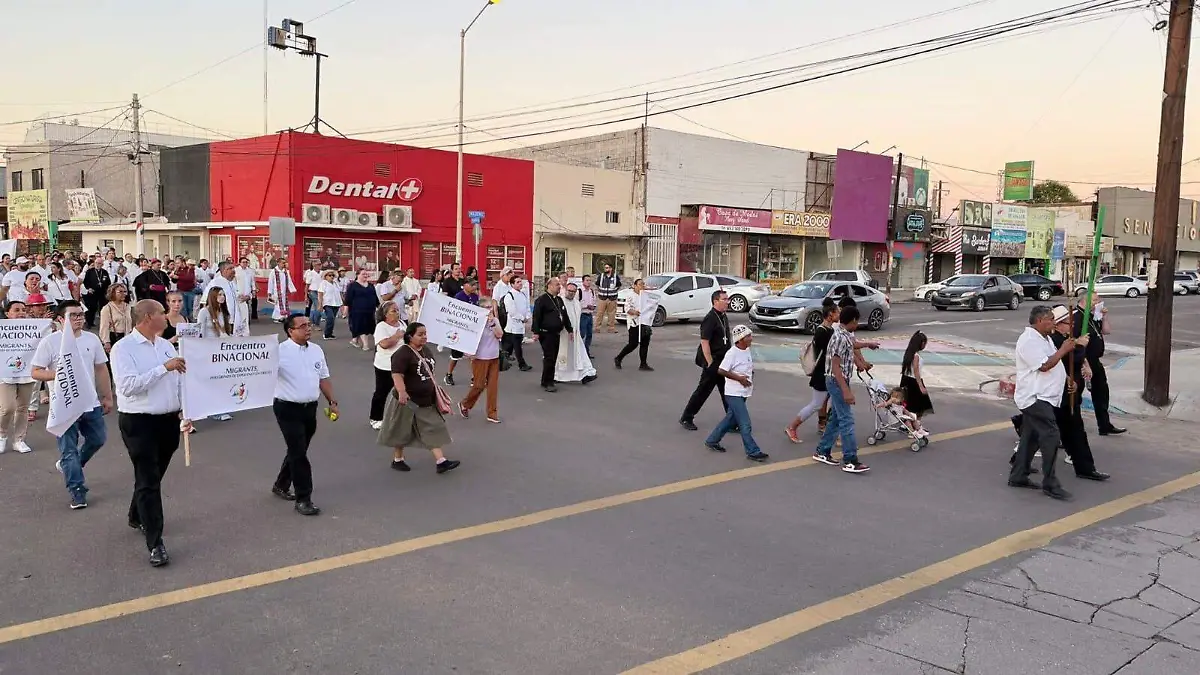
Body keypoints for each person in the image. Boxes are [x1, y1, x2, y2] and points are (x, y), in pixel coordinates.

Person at [111, 300, 190, 567]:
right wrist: (163, 368)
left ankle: (137, 514)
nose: (167, 316)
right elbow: (128, 386)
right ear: (147, 317)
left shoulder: (165, 345)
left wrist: (186, 410)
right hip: (139, 422)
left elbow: (179, 379)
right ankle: (155, 542)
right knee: (148, 479)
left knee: (153, 475)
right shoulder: (124, 349)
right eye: (161, 312)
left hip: (167, 421)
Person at [32, 300, 113, 509]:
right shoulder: (50, 342)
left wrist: (107, 396)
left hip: (89, 402)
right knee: (68, 450)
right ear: (61, 319)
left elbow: (101, 369)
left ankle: (72, 464)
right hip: (64, 405)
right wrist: (57, 375)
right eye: (73, 315)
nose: (79, 318)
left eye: (81, 314)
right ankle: (77, 490)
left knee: (97, 439)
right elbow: (36, 371)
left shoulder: (91, 339)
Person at [1009, 305, 1084, 501]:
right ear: (1040, 320)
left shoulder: (1046, 338)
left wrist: (1067, 379)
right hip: (1034, 397)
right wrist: (1064, 349)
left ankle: (1018, 475)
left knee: (1031, 437)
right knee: (1051, 435)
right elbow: (1044, 365)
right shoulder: (1028, 341)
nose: (1054, 322)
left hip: (1045, 396)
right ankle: (1050, 483)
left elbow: (1054, 363)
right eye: (1051, 319)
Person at [272, 313, 339, 516]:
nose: (308, 328)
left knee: (298, 449)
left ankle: (281, 484)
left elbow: (323, 378)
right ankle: (304, 498)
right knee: (299, 453)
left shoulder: (316, 350)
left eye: (309, 324)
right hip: (287, 407)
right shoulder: (278, 352)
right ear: (290, 331)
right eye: (302, 326)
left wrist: (332, 401)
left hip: (309, 408)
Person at [380, 322, 460, 474]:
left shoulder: (426, 351)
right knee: (401, 430)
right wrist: (402, 392)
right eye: (420, 334)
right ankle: (398, 459)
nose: (424, 337)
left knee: (432, 428)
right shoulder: (402, 353)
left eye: (425, 334)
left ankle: (441, 461)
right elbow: (397, 374)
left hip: (425, 400)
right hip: (407, 401)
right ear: (410, 336)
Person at [1051, 306, 1110, 482]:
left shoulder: (1065, 338)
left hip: (1070, 392)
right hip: (1059, 393)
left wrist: (1084, 362)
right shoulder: (1054, 339)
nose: (1072, 325)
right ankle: (1020, 465)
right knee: (1041, 431)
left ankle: (1084, 467)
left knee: (1075, 430)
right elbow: (1062, 360)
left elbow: (1076, 357)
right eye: (1069, 323)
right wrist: (1080, 347)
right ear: (1059, 324)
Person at [812, 306, 871, 474]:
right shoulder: (839, 337)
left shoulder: (843, 334)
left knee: (837, 419)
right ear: (852, 320)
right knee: (847, 420)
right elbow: (836, 367)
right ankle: (850, 459)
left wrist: (869, 344)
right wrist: (846, 391)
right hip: (837, 381)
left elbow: (853, 344)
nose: (857, 324)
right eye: (857, 321)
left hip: (838, 380)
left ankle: (822, 451)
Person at [704, 325, 768, 461]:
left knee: (730, 419)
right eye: (748, 336)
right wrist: (740, 378)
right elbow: (721, 370)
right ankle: (752, 451)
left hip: (743, 392)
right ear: (740, 339)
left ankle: (712, 440)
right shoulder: (732, 353)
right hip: (734, 394)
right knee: (745, 423)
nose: (751, 338)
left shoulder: (746, 350)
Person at [1072, 293, 1126, 436]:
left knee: (1102, 393)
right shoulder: (1077, 317)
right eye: (1095, 300)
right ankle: (1073, 428)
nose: (1098, 302)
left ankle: (1104, 425)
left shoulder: (1092, 316)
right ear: (1086, 300)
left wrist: (1104, 317)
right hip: (1083, 360)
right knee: (1076, 395)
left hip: (1095, 360)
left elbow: (1106, 331)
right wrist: (1085, 364)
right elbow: (1076, 343)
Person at [787, 300, 838, 444]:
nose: (839, 315)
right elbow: (830, 352)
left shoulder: (830, 330)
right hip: (822, 374)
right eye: (837, 312)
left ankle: (823, 426)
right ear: (830, 315)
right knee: (816, 404)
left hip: (828, 372)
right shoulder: (822, 331)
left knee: (825, 401)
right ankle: (792, 427)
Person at [680, 290, 732, 431]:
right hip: (713, 361)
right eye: (725, 299)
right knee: (703, 390)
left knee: (727, 391)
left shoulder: (723, 316)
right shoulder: (710, 318)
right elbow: (705, 341)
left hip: (724, 360)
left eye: (727, 299)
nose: (728, 301)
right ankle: (687, 417)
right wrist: (710, 362)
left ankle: (732, 420)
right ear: (716, 301)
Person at [0, 301, 46, 455]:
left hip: (26, 373)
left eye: (23, 310)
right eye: (16, 310)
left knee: (22, 408)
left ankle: (19, 440)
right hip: (5, 374)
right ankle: (2, 435)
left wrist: (48, 327)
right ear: (7, 313)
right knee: (7, 408)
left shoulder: (34, 328)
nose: (21, 313)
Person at [458, 298, 505, 423]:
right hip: (480, 357)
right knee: (479, 385)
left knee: (493, 386)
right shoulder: (474, 322)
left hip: (494, 356)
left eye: (490, 307)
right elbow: (467, 338)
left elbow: (500, 334)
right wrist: (468, 352)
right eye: (486, 307)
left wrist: (492, 323)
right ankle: (465, 404)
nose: (489, 310)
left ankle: (492, 413)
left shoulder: (494, 320)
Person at [531, 278, 573, 393]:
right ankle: (548, 382)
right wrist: (535, 332)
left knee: (553, 357)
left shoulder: (559, 299)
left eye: (559, 285)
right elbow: (536, 316)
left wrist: (570, 329)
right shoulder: (542, 300)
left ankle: (546, 379)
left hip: (556, 333)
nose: (559, 287)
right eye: (556, 284)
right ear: (549, 286)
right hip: (546, 333)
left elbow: (564, 315)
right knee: (549, 357)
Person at [370, 301, 406, 430]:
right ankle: (376, 418)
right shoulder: (382, 327)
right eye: (393, 311)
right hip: (385, 365)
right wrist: (396, 336)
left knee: (403, 391)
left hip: (402, 365)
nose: (397, 313)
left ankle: (400, 418)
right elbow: (384, 344)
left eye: (397, 310)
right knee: (382, 392)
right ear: (385, 314)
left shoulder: (402, 324)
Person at [555, 283, 598, 385]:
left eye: (573, 292)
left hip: (575, 334)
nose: (571, 293)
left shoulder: (576, 302)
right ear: (565, 290)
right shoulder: (560, 302)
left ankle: (586, 374)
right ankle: (557, 376)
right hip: (564, 335)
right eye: (569, 291)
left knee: (580, 355)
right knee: (563, 357)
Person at [444, 279, 481, 386]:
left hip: (471, 330)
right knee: (455, 356)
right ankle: (449, 374)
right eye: (472, 285)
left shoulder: (475, 296)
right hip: (459, 330)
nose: (474, 287)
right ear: (465, 285)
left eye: (475, 285)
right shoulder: (458, 297)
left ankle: (474, 377)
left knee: (473, 355)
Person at [615, 278, 654, 371]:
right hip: (634, 322)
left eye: (643, 284)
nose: (642, 286)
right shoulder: (630, 295)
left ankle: (643, 364)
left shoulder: (645, 296)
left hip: (644, 322)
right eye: (640, 284)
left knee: (645, 343)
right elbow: (627, 309)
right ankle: (619, 358)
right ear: (635, 286)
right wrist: (634, 312)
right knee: (633, 344)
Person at [205, 261, 247, 337]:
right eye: (230, 268)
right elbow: (206, 300)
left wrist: (244, 297)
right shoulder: (215, 282)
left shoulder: (232, 283)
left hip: (234, 319)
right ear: (224, 271)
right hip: (222, 319)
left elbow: (236, 298)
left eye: (233, 268)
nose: (233, 270)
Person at [900, 331, 934, 422]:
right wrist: (921, 386)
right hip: (914, 381)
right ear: (922, 343)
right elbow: (916, 371)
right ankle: (916, 425)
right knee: (920, 405)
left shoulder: (908, 353)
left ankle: (908, 424)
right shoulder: (916, 356)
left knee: (908, 404)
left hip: (905, 379)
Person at [501, 275, 533, 372]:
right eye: (518, 282)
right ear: (512, 284)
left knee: (509, 347)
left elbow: (527, 307)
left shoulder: (522, 294)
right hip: (513, 325)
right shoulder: (509, 296)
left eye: (520, 281)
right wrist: (522, 318)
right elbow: (512, 311)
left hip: (520, 325)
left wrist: (527, 316)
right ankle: (522, 364)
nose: (520, 284)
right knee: (517, 346)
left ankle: (502, 362)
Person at [344, 269, 380, 351]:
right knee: (362, 326)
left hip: (370, 310)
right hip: (357, 310)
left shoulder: (371, 286)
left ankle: (354, 340)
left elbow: (375, 297)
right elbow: (348, 299)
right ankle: (365, 345)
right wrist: (345, 310)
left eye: (367, 274)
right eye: (363, 274)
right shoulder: (352, 285)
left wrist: (379, 307)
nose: (366, 275)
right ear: (358, 275)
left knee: (368, 326)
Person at [99, 284, 133, 354]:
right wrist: (106, 342)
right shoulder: (107, 308)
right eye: (120, 292)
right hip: (114, 338)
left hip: (127, 338)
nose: (123, 294)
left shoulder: (128, 307)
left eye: (125, 291)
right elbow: (104, 327)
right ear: (113, 293)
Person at [82, 256, 112, 329]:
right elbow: (85, 281)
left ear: (102, 264)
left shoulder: (104, 272)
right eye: (96, 263)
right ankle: (89, 322)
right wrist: (88, 288)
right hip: (92, 292)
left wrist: (107, 290)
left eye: (99, 263)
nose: (97, 264)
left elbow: (108, 282)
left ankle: (103, 323)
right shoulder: (90, 271)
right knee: (91, 308)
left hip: (102, 293)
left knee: (103, 308)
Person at [315, 269, 345, 340]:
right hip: (327, 303)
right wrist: (320, 304)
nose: (331, 277)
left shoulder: (336, 283)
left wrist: (343, 301)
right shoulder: (323, 283)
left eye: (333, 275)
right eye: (329, 275)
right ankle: (326, 334)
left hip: (336, 303)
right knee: (330, 317)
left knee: (332, 319)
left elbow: (339, 292)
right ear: (325, 277)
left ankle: (330, 333)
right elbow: (320, 294)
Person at [266, 258, 296, 323]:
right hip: (276, 291)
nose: (284, 264)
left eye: (284, 263)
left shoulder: (286, 271)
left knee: (284, 304)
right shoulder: (273, 271)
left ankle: (282, 316)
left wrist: (292, 289)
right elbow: (270, 282)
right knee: (278, 304)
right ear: (278, 263)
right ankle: (278, 317)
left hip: (284, 291)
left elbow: (289, 281)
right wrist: (270, 292)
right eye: (283, 263)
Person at [596, 263, 621, 333]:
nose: (606, 269)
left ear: (611, 268)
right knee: (600, 313)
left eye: (607, 268)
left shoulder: (616, 277)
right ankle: (597, 328)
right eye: (605, 268)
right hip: (602, 298)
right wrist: (602, 292)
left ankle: (611, 328)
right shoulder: (601, 276)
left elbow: (619, 285)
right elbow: (597, 285)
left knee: (611, 314)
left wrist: (613, 292)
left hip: (612, 298)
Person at [578, 275, 598, 356]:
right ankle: (579, 352)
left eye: (590, 280)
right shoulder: (579, 291)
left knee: (589, 334)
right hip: (582, 315)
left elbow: (594, 302)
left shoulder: (592, 291)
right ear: (583, 281)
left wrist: (593, 307)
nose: (589, 282)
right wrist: (586, 306)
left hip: (589, 315)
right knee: (582, 334)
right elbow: (576, 304)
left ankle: (586, 352)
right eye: (587, 280)